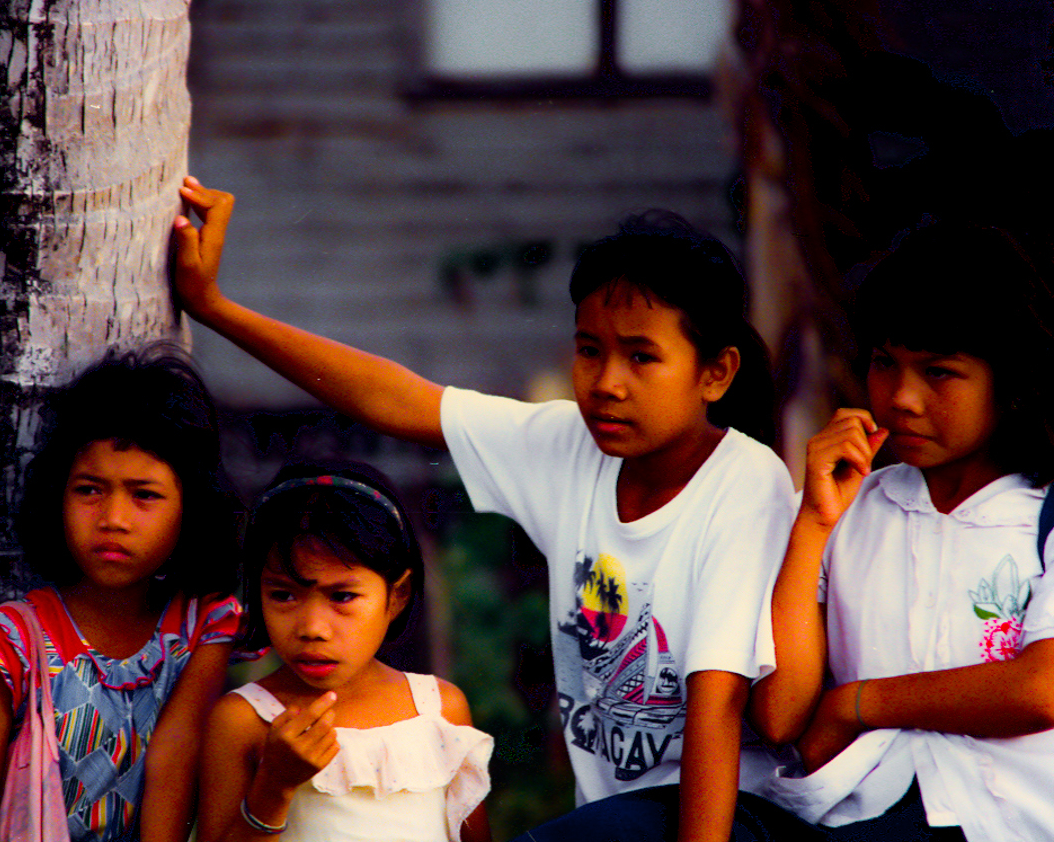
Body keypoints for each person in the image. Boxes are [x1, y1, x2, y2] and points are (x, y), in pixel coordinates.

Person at [174, 180, 809, 842]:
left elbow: (718, 708)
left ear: (716, 372)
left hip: (732, 812)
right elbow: (398, 398)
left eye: (641, 357)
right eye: (589, 349)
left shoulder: (743, 485)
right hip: (621, 816)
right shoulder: (571, 446)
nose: (606, 382)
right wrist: (214, 309)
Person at [750, 222, 1054, 841]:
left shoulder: (1044, 515)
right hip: (858, 815)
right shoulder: (848, 508)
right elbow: (780, 715)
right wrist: (813, 523)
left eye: (938, 372)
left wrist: (856, 703)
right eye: (885, 363)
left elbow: (1040, 687)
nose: (903, 397)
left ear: (1011, 378)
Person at [0, 345, 245, 842]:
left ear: (192, 507)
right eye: (89, 490)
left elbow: (175, 754)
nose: (113, 520)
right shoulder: (6, 648)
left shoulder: (202, 626)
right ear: (56, 495)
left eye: (145, 495)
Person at [199, 460, 493, 842]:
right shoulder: (244, 720)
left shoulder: (440, 709)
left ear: (397, 596)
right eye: (283, 595)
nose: (312, 629)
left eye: (342, 596)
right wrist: (274, 786)